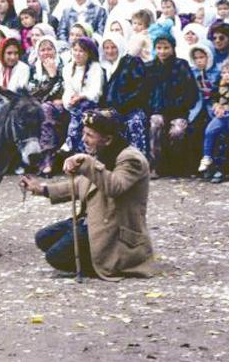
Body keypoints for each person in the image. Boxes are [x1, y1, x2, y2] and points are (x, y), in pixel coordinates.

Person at [22, 110, 155, 279]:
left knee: (54, 257)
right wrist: (42, 189)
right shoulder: (103, 153)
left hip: (114, 231)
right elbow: (81, 185)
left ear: (107, 139)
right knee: (43, 238)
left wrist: (87, 163)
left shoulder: (132, 159)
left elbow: (115, 186)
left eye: (90, 135)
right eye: (84, 134)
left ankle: (104, 263)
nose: (84, 139)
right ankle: (92, 255)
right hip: (93, 221)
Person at [147, 28, 198, 176]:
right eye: (159, 48)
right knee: (155, 124)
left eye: (166, 48)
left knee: (178, 131)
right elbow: (146, 93)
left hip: (178, 112)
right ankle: (155, 166)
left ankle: (176, 167)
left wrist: (178, 107)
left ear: (173, 48)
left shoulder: (181, 66)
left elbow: (191, 92)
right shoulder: (150, 67)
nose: (162, 51)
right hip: (157, 111)